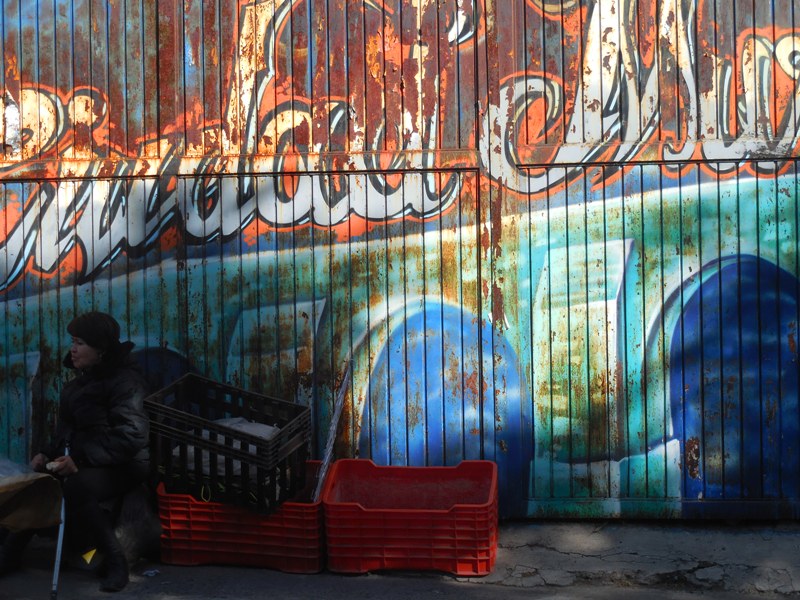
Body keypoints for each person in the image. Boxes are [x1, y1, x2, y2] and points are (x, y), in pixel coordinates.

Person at [0, 311, 150, 592]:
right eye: (73, 341)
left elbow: (132, 435)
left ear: (101, 350)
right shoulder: (76, 387)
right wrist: (45, 454)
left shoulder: (126, 382)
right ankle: (9, 555)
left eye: (80, 343)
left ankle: (117, 562)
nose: (73, 349)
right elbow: (65, 433)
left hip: (124, 463)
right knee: (38, 485)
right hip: (87, 459)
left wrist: (79, 459)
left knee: (77, 488)